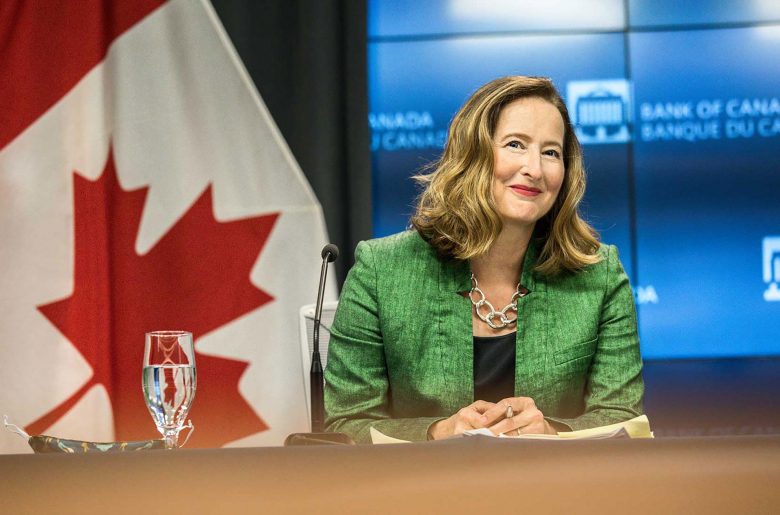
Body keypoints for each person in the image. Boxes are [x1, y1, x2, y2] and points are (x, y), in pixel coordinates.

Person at [324, 76, 643, 443]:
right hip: (422, 495)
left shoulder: (599, 273)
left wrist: (551, 432)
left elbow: (623, 419)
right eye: (515, 145)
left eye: (551, 152)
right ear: (471, 153)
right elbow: (346, 424)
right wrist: (437, 433)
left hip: (555, 493)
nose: (534, 169)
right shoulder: (380, 270)